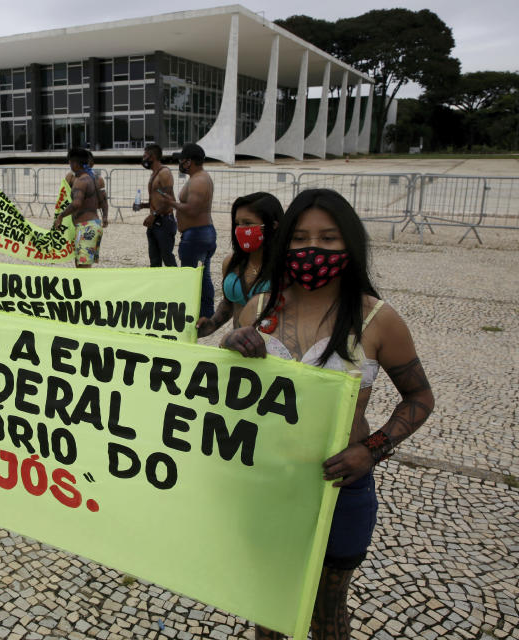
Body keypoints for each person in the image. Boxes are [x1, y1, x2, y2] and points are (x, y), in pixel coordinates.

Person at [220, 189, 435, 639]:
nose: (311, 249)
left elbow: (419, 397)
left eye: (328, 238)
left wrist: (371, 450)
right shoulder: (257, 310)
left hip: (340, 490)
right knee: (270, 601)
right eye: (299, 238)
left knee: (328, 607)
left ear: (349, 245)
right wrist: (230, 346)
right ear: (283, 244)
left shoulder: (378, 320)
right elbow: (228, 392)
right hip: (264, 486)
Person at [197, 192, 283, 337]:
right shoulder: (231, 263)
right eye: (238, 223)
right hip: (238, 349)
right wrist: (212, 324)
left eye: (248, 223)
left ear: (273, 226)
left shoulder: (285, 266)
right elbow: (229, 303)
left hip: (273, 352)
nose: (241, 229)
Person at [160, 143, 215, 317]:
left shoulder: (199, 180)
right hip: (199, 233)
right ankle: (205, 313)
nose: (180, 163)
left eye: (182, 160)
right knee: (202, 275)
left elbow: (192, 209)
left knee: (192, 277)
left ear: (189, 162)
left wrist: (172, 203)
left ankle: (196, 313)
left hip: (196, 235)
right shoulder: (199, 178)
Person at [55, 148, 107, 268]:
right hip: (94, 224)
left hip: (86, 227)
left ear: (74, 163)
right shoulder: (95, 178)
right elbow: (103, 201)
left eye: (70, 163)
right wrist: (105, 217)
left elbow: (76, 203)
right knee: (82, 265)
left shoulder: (81, 181)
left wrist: (61, 216)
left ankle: (87, 287)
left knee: (83, 268)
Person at [136, 144, 177, 267]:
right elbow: (158, 200)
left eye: (145, 156)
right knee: (154, 260)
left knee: (167, 257)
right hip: (155, 222)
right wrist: (143, 205)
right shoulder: (154, 174)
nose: (143, 159)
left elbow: (170, 200)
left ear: (152, 156)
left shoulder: (164, 173)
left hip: (164, 221)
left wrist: (153, 214)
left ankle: (176, 284)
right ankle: (158, 285)